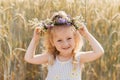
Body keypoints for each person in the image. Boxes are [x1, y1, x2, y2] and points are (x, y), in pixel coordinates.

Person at [24, 11, 104, 80]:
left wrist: (86, 34)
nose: (65, 44)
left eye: (69, 38)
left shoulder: (78, 58)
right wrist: (35, 39)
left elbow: (99, 52)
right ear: (52, 42)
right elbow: (29, 58)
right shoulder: (51, 57)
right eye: (59, 40)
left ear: (75, 38)